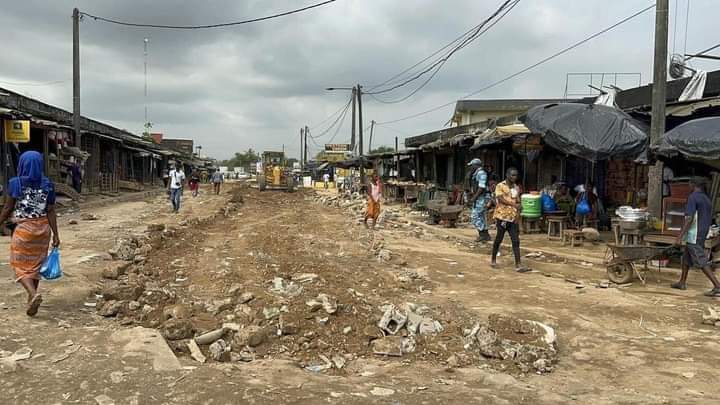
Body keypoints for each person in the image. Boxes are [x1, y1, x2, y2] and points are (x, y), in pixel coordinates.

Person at [0, 151, 60, 316]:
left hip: (24, 230)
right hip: (42, 231)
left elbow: (7, 208)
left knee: (20, 265)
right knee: (36, 265)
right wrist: (56, 235)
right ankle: (31, 299)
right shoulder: (48, 184)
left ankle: (33, 294)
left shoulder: (15, 183)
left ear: (22, 164)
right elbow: (51, 211)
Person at [671, 177, 720, 297]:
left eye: (689, 184)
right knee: (686, 258)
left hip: (694, 234)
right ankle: (682, 282)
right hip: (701, 232)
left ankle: (718, 286)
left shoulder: (693, 197)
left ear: (693, 185)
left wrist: (679, 236)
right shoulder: (706, 198)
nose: (689, 186)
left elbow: (689, 219)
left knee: (700, 260)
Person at [490, 168, 528, 272]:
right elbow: (501, 199)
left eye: (516, 175)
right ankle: (493, 259)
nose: (514, 177)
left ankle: (518, 264)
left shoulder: (516, 188)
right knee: (499, 239)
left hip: (512, 218)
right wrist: (513, 204)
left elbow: (519, 203)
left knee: (516, 240)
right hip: (502, 217)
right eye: (512, 175)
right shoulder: (500, 186)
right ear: (507, 175)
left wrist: (518, 216)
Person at [468, 158, 490, 242]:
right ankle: (485, 235)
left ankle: (482, 234)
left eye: (472, 165)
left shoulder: (481, 173)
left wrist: (474, 198)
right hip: (480, 197)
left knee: (475, 216)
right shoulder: (477, 173)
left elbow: (481, 187)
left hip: (482, 197)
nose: (471, 167)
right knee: (481, 217)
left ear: (476, 165)